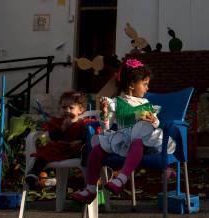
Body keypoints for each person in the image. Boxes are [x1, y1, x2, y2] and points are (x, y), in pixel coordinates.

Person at [70, 58, 174, 203]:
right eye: (144, 84)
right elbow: (106, 127)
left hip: (143, 143)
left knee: (137, 141)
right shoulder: (115, 103)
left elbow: (156, 123)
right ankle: (90, 189)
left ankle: (121, 179)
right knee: (97, 149)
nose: (147, 88)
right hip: (123, 140)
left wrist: (153, 121)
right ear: (132, 85)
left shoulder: (145, 103)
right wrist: (105, 112)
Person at [25, 91, 96, 189]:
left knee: (85, 150)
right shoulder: (58, 122)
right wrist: (63, 128)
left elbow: (89, 135)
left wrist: (81, 141)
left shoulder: (83, 123)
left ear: (81, 110)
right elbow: (53, 137)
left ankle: (83, 182)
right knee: (45, 152)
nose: (67, 110)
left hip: (75, 149)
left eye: (71, 108)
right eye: (64, 107)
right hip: (60, 148)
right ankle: (34, 174)